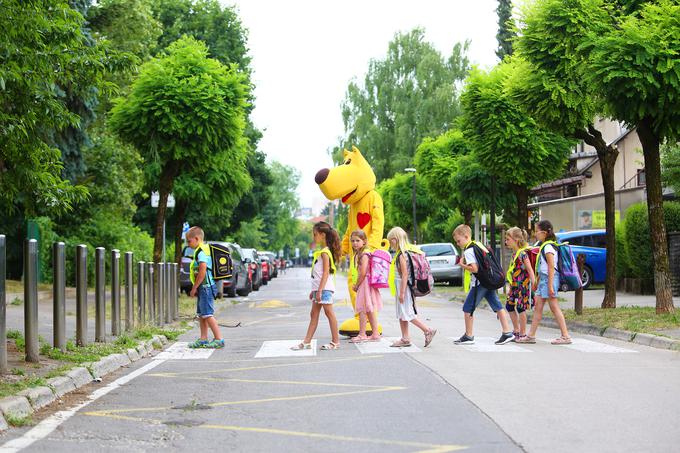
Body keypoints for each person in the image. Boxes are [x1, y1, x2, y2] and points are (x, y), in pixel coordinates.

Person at [452, 224, 514, 345]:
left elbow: (475, 269)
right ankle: (507, 333)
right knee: (497, 306)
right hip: (488, 280)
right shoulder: (478, 244)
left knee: (467, 308)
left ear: (466, 236)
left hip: (480, 283)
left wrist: (462, 265)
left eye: (459, 241)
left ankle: (468, 336)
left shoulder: (469, 250)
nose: (458, 244)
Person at [517, 220, 572, 345]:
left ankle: (565, 336)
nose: (535, 234)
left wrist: (550, 285)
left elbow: (551, 267)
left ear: (544, 233)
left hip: (549, 279)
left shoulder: (548, 247)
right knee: (538, 308)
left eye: (537, 231)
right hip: (544, 280)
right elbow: (543, 267)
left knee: (554, 307)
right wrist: (538, 281)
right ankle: (531, 336)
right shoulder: (546, 245)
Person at [292, 221, 341, 351]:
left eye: (315, 234)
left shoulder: (325, 252)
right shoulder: (322, 251)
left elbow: (325, 273)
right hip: (319, 289)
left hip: (324, 289)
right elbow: (318, 274)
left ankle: (335, 342)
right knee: (314, 314)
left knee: (329, 313)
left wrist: (319, 290)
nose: (314, 237)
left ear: (323, 235)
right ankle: (306, 342)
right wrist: (314, 291)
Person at [386, 227, 437, 348]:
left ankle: (427, 330)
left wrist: (402, 293)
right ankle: (405, 338)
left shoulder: (402, 255)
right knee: (402, 313)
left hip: (404, 288)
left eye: (390, 241)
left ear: (395, 240)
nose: (390, 244)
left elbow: (404, 275)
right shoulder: (408, 251)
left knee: (407, 313)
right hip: (405, 287)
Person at [186, 227, 224, 349]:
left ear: (197, 239)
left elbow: (202, 271)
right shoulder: (200, 250)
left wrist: (194, 287)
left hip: (206, 287)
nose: (188, 244)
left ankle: (219, 339)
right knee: (202, 314)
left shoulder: (202, 252)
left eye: (189, 241)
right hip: (204, 287)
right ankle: (203, 339)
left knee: (207, 314)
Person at [349, 230, 382, 343]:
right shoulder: (362, 253)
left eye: (358, 240)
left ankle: (362, 334)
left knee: (363, 308)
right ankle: (375, 333)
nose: (355, 243)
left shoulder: (364, 254)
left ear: (364, 241)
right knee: (369, 309)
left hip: (365, 284)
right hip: (367, 283)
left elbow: (362, 273)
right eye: (352, 241)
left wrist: (357, 285)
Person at [504, 227, 536, 341]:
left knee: (521, 308)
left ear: (516, 239)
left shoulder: (522, 254)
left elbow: (530, 270)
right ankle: (516, 330)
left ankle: (522, 333)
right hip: (515, 285)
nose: (506, 242)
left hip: (524, 285)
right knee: (509, 306)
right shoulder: (515, 254)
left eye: (508, 239)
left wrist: (534, 284)